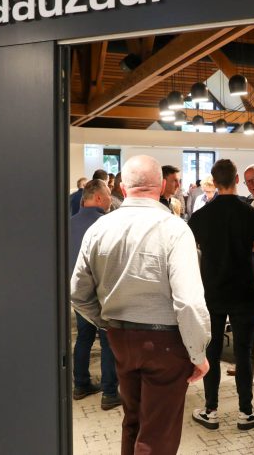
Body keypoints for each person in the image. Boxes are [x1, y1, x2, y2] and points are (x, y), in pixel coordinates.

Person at [71, 155, 211, 455]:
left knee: (133, 422)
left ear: (123, 187)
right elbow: (188, 301)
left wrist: (106, 322)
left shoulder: (98, 228)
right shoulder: (174, 229)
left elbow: (77, 292)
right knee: (158, 434)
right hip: (166, 343)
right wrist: (198, 352)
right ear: (161, 186)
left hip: (120, 338)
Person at [188, 159, 254, 431]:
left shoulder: (199, 218)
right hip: (245, 293)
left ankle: (210, 410)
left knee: (211, 351)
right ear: (237, 180)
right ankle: (246, 411)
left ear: (214, 182)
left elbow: (188, 262)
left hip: (210, 294)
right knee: (244, 353)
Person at [69, 180, 121, 409]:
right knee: (108, 339)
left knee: (84, 337)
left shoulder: (68, 224)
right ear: (98, 197)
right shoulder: (108, 224)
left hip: (78, 294)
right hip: (103, 293)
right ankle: (109, 393)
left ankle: (80, 384)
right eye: (108, 194)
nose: (111, 199)